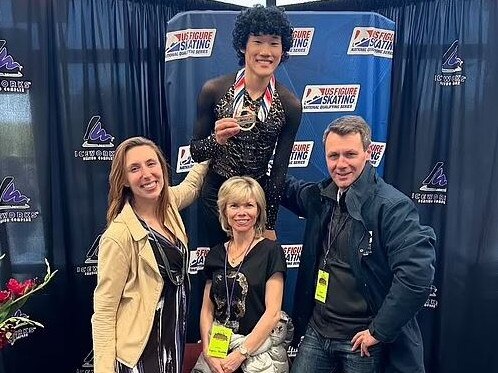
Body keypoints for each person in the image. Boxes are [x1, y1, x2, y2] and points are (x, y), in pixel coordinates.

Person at [281, 116, 436, 373]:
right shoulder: (322, 197)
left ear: (368, 153)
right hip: (318, 332)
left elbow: (417, 276)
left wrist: (379, 331)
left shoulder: (392, 207)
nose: (341, 164)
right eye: (333, 156)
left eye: (350, 154)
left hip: (361, 341)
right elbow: (287, 189)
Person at [91, 137, 208, 373]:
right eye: (135, 168)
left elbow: (192, 186)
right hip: (141, 355)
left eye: (151, 163)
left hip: (171, 343)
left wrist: (213, 146)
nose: (146, 174)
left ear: (162, 167)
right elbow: (103, 312)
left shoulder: (168, 206)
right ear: (123, 180)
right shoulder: (119, 235)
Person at [190, 5, 302, 245]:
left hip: (255, 202)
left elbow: (279, 171)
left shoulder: (290, 105)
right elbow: (195, 152)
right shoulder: (214, 91)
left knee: (252, 276)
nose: (266, 51)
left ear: (283, 50)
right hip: (217, 199)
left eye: (274, 43)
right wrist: (216, 140)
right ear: (243, 45)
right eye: (258, 42)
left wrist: (269, 224)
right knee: (218, 272)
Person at [193, 176, 290, 373]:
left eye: (249, 205)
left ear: (259, 210)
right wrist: (208, 351)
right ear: (224, 211)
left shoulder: (271, 251)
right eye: (234, 206)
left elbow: (273, 313)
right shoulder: (216, 254)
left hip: (256, 353)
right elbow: (207, 310)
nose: (242, 213)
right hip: (219, 351)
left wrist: (240, 354)